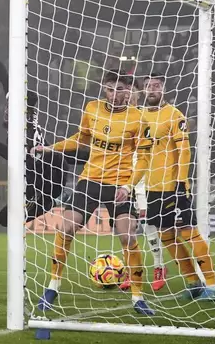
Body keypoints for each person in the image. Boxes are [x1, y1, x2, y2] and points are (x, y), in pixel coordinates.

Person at [33, 69, 156, 316]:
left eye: (119, 89)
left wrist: (128, 186)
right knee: (66, 226)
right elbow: (81, 139)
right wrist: (50, 148)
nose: (113, 94)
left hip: (119, 185)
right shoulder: (92, 108)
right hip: (90, 179)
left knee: (127, 235)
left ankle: (137, 297)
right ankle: (52, 287)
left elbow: (143, 158)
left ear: (129, 91)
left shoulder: (139, 119)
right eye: (109, 89)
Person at [0, 27, 69, 227]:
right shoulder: (19, 113)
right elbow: (5, 79)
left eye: (11, 107)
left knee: (8, 216)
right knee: (6, 217)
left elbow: (12, 154)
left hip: (50, 178)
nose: (6, 109)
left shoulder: (24, 131)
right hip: (39, 170)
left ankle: (39, 202)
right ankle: (32, 203)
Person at [141, 73, 215, 300]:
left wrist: (181, 182)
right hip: (152, 187)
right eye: (147, 86)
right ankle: (192, 282)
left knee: (188, 233)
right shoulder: (139, 116)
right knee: (166, 235)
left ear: (163, 89)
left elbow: (185, 151)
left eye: (156, 86)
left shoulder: (174, 115)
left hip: (173, 186)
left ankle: (213, 286)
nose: (152, 90)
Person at [119, 86, 166, 292]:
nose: (127, 99)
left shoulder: (143, 119)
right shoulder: (115, 119)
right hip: (120, 177)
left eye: (131, 96)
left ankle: (159, 267)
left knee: (148, 225)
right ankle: (132, 271)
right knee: (125, 229)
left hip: (142, 181)